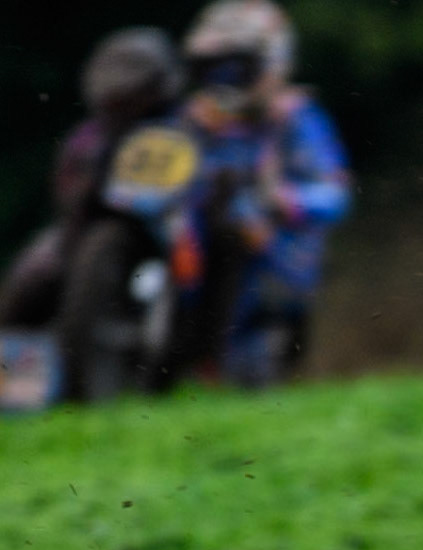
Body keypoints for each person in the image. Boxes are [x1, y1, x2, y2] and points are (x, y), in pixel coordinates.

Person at [177, 0, 350, 385]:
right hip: (188, 247)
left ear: (270, 64)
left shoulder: (295, 119)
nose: (222, 81)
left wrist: (283, 199)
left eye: (235, 67)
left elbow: (334, 195)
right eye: (211, 69)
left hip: (271, 267)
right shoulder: (189, 123)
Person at [0, 28, 184, 328]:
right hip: (86, 231)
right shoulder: (90, 136)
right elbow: (64, 189)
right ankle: (14, 356)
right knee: (32, 274)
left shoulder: (183, 128)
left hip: (165, 226)